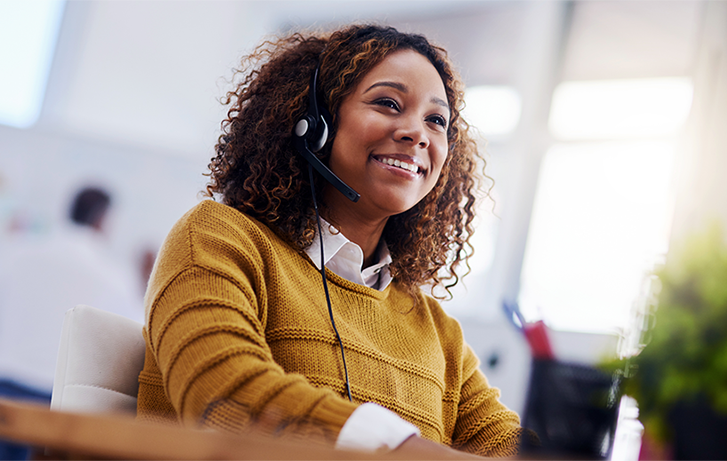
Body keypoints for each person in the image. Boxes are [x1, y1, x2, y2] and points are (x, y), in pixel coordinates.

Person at [136, 25, 522, 457]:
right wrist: (400, 449)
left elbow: (507, 445)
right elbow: (223, 394)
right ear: (313, 124)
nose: (417, 133)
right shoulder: (219, 238)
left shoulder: (435, 328)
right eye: (388, 103)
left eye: (436, 120)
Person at [0, 186, 142, 461]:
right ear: (103, 220)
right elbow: (127, 350)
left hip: (1, 395)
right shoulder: (115, 276)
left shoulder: (15, 252)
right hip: (59, 407)